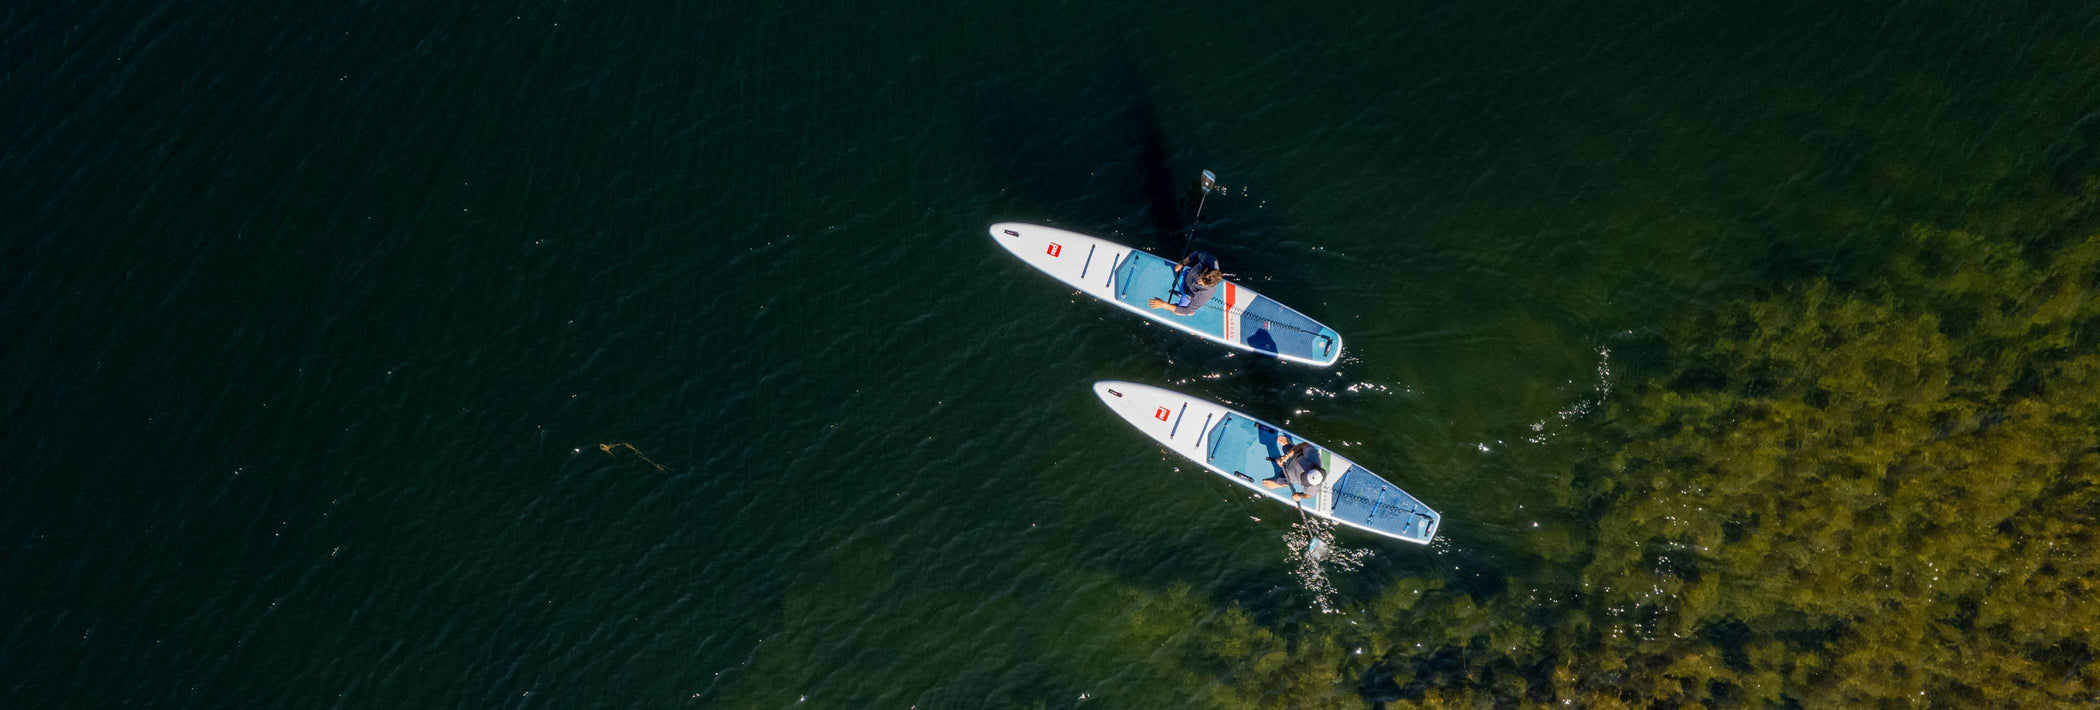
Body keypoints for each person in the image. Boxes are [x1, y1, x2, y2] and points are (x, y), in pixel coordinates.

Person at [1146, 250, 1223, 316]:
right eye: (1200, 278)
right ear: (1206, 270)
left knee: (1177, 312)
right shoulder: (1209, 259)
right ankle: (1182, 289)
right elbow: (1197, 253)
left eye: (1202, 284)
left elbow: (1187, 310)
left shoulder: (1205, 294)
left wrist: (1163, 305)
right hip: (1187, 275)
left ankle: (1187, 309)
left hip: (1189, 295)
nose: (1199, 282)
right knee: (1180, 273)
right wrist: (1182, 263)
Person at [1261, 436, 1326, 501]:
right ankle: (1288, 445)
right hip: (1293, 457)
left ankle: (1279, 484)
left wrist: (1300, 496)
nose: (1303, 480)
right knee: (1287, 447)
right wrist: (1287, 455)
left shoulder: (1313, 487)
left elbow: (1309, 495)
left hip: (1289, 478)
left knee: (1270, 484)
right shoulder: (1314, 458)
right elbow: (1305, 444)